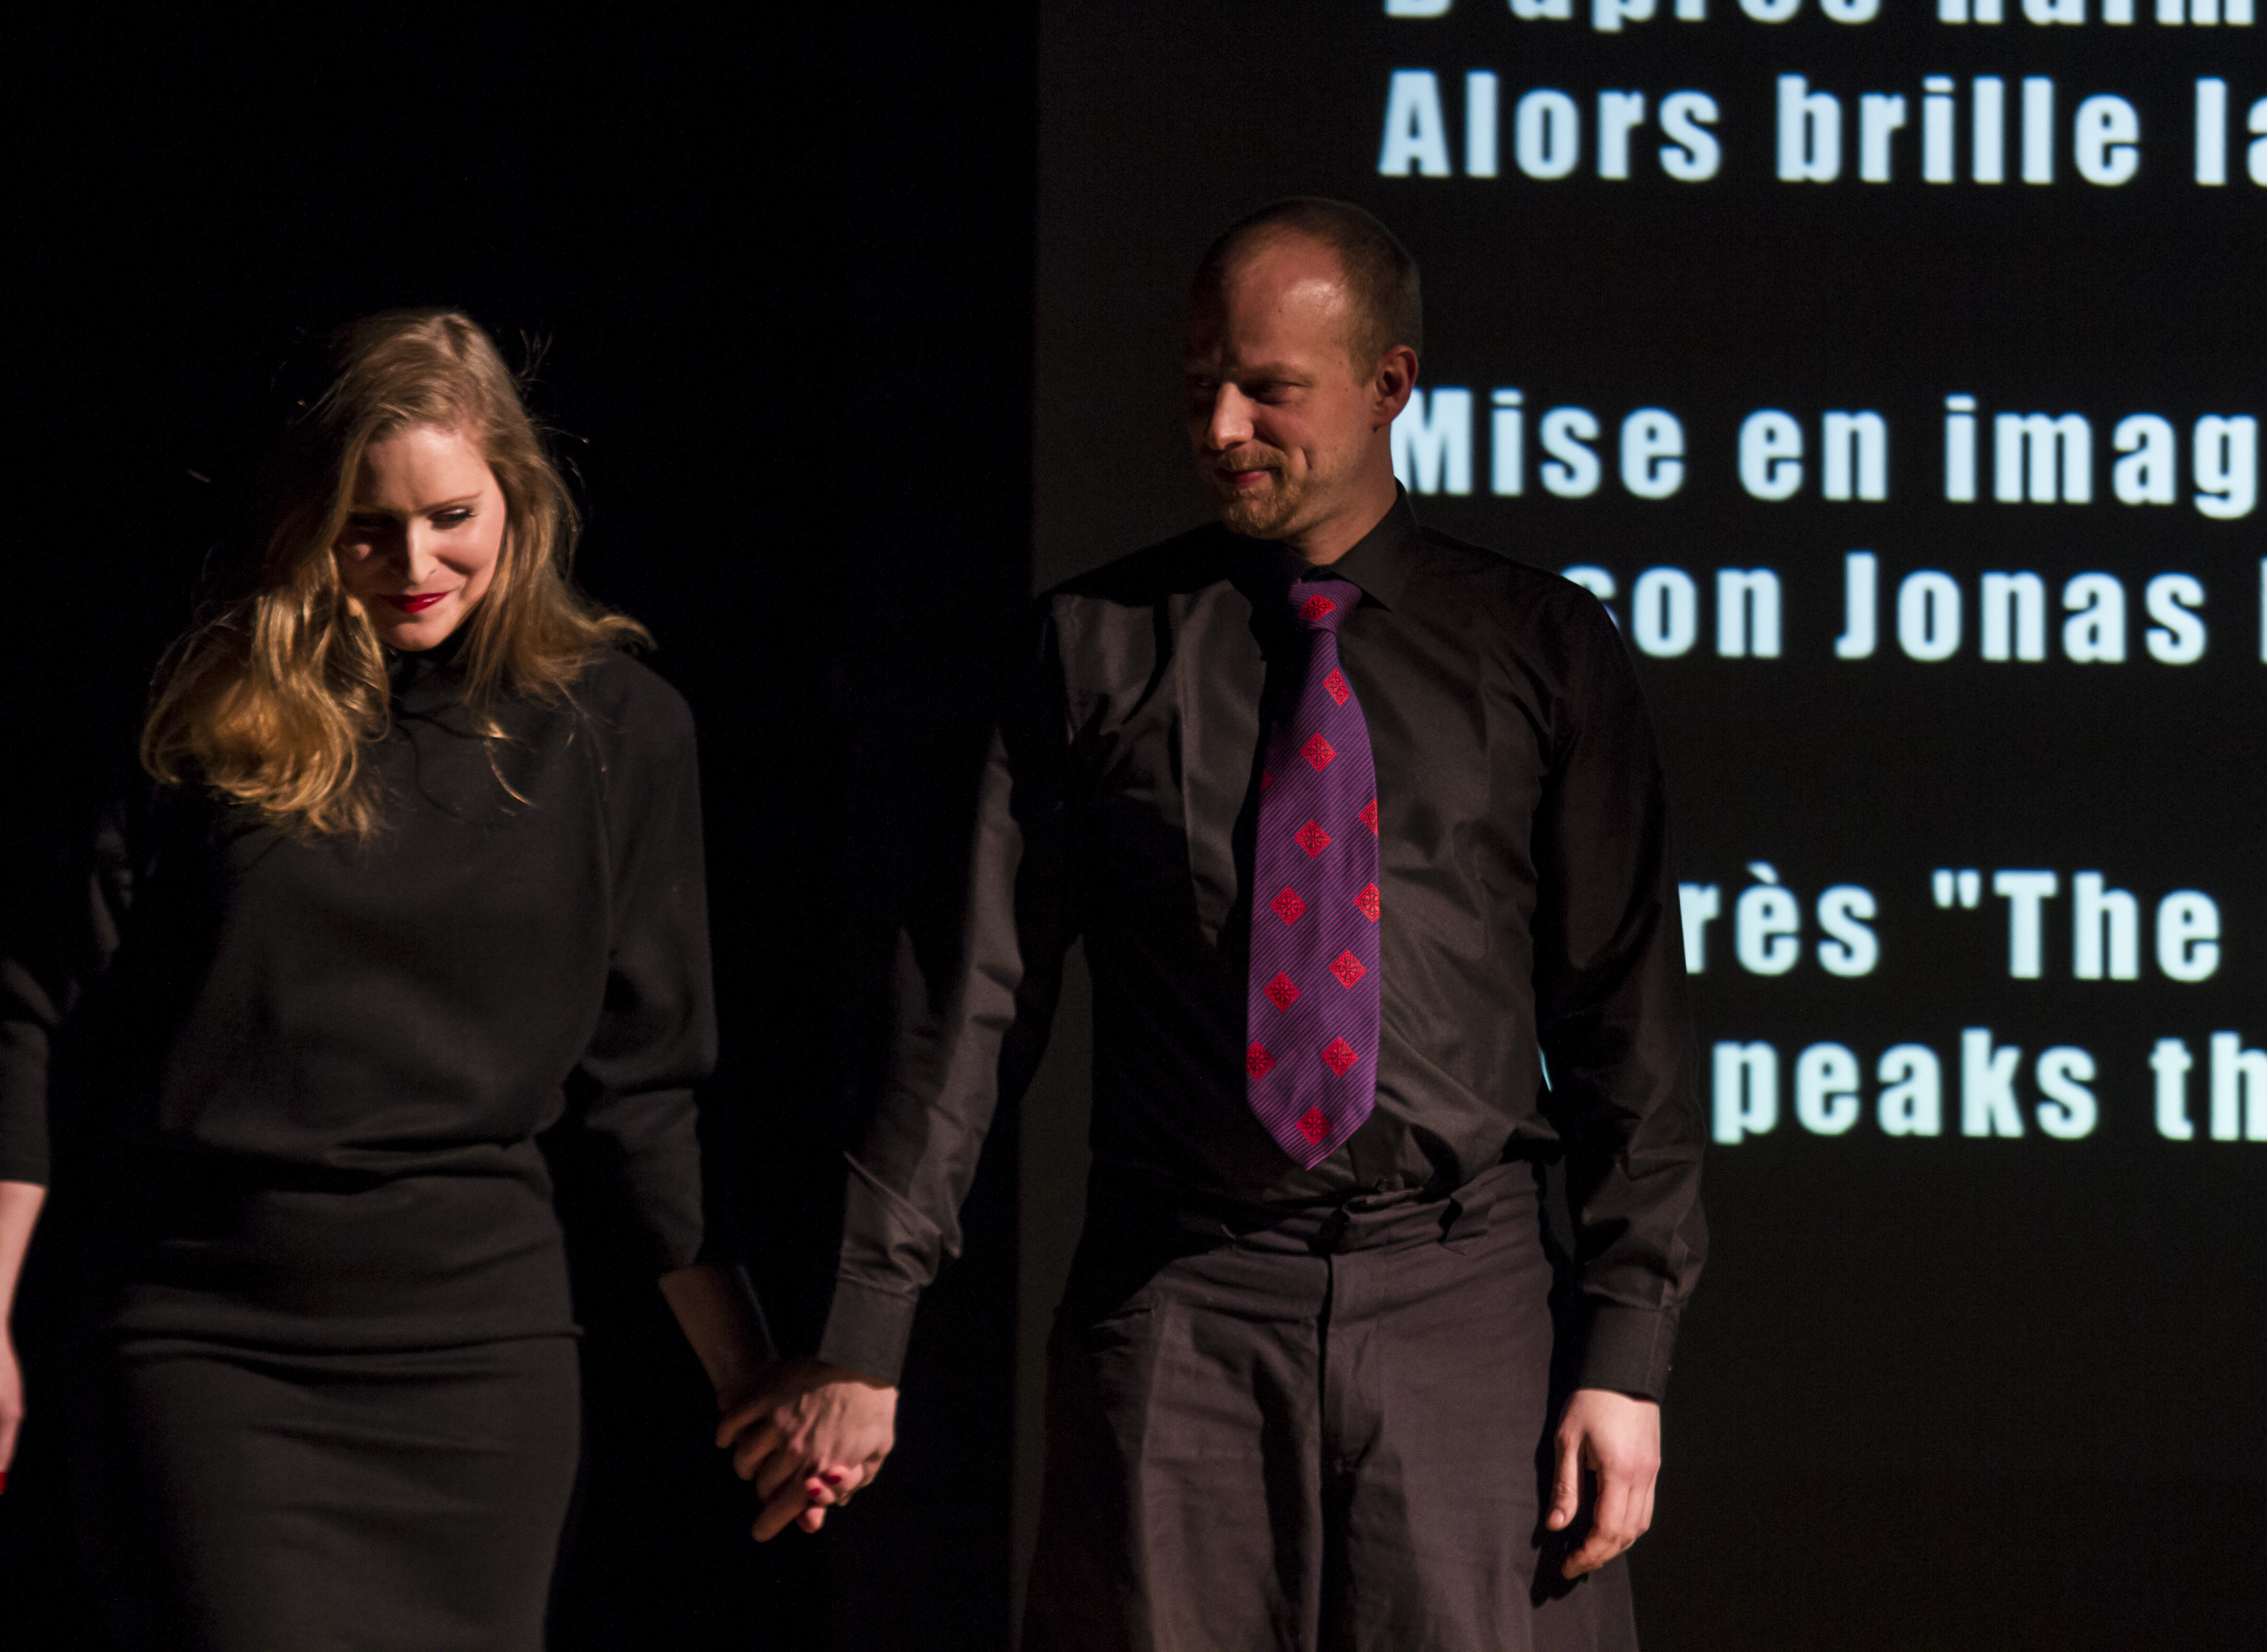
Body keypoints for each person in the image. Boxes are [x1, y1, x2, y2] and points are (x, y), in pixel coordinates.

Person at [722, 199, 1709, 1648]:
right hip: (1180, 1302)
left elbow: (1628, 1027)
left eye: (1269, 389)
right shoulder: (1092, 649)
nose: (1224, 425)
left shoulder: (1542, 649)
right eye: (1201, 387)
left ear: (1390, 384)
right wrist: (866, 1335)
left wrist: (1625, 1354)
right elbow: (968, 1010)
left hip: (1463, 1304)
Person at [0, 310, 791, 1649]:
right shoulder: (197, 710)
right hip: (209, 1346)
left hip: (481, 1368)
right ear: (305, 519)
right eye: (366, 528)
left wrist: (750, 1376)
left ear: (518, 499)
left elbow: (646, 1092)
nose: (416, 564)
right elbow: (35, 1017)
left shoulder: (619, 732)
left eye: (453, 517)